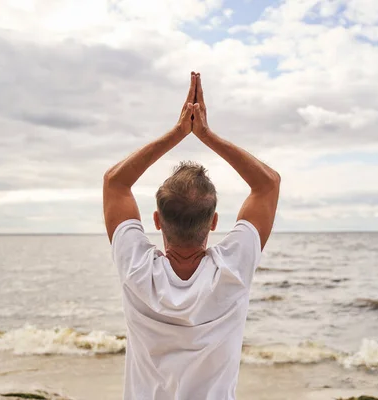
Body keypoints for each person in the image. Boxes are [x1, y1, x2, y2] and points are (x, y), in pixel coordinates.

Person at [103, 71, 281, 399]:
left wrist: (178, 132)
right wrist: (206, 134)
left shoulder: (136, 268)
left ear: (157, 220)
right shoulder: (233, 270)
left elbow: (115, 182)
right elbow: (267, 184)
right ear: (214, 222)